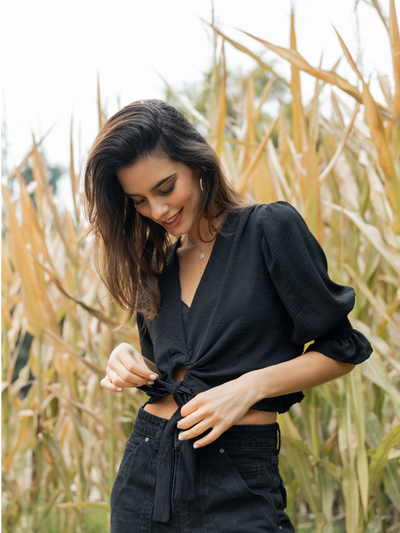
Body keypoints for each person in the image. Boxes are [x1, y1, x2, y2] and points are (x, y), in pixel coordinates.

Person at [83, 99, 373, 532]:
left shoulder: (269, 228)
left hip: (237, 475)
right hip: (145, 477)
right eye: (139, 200)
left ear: (197, 162)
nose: (158, 210)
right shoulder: (156, 268)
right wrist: (127, 359)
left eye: (166, 188)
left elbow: (343, 349)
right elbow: (166, 377)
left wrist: (249, 387)